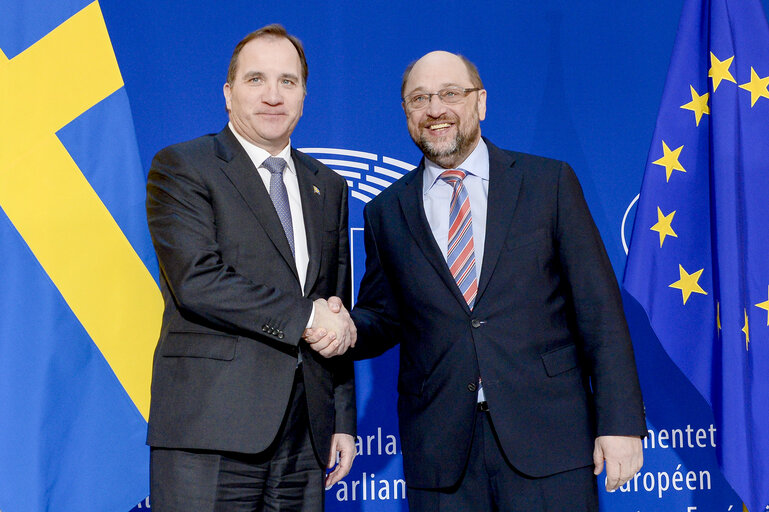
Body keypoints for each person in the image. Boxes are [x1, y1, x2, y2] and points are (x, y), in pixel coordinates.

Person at [312, 50, 646, 511]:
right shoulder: (385, 211)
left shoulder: (547, 183)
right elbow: (385, 318)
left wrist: (621, 423)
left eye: (450, 93)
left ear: (481, 102)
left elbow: (600, 311)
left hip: (549, 438)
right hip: (441, 452)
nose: (435, 110)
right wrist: (340, 325)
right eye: (419, 98)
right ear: (407, 113)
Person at [145, 24, 356, 511]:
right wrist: (306, 318)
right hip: (210, 430)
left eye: (288, 81)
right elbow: (198, 281)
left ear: (303, 95)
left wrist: (342, 416)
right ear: (228, 93)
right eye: (256, 79)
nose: (273, 95)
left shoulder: (329, 187)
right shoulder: (183, 166)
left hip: (306, 435)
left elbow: (334, 306)